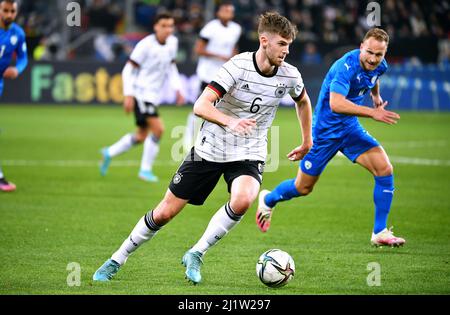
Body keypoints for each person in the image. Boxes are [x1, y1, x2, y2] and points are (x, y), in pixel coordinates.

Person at [93, 12, 312, 284]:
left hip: (249, 151)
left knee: (244, 199)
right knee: (165, 212)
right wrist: (229, 121)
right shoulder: (237, 66)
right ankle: (117, 258)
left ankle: (196, 252)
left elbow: (302, 101)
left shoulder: (290, 75)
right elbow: (201, 105)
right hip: (211, 149)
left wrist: (307, 141)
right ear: (264, 40)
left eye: (289, 45)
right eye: (282, 44)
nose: (286, 51)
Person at [256, 28, 406, 247]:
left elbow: (374, 78)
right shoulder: (345, 67)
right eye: (370, 53)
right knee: (303, 188)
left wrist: (376, 97)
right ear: (361, 47)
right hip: (325, 132)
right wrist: (373, 113)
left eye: (379, 55)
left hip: (350, 127)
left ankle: (380, 232)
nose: (374, 59)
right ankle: (268, 199)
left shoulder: (380, 65)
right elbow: (336, 104)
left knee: (384, 169)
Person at [99, 12, 185, 182]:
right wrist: (128, 94)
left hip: (153, 95)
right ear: (155, 27)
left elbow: (171, 67)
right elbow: (128, 69)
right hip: (141, 93)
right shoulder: (145, 45)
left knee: (141, 135)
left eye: (170, 26)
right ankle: (145, 170)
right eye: (164, 26)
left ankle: (109, 152)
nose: (168, 30)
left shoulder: (173, 43)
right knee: (158, 129)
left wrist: (178, 88)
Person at [183, 1, 242, 152]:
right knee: (201, 106)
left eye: (230, 11)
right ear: (218, 13)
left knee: (222, 108)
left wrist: (233, 59)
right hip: (207, 73)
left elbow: (233, 48)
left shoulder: (236, 29)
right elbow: (199, 49)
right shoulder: (211, 28)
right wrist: (220, 56)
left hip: (225, 75)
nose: (228, 13)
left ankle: (212, 140)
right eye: (225, 10)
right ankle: (188, 139)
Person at [0, 0, 28, 193]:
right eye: (5, 10)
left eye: (12, 11)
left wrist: (17, 69)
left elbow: (23, 57)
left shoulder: (18, 33)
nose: (9, 14)